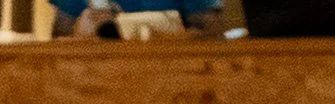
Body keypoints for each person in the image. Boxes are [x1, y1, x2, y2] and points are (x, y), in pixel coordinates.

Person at [51, 0, 226, 35]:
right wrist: (80, 33)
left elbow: (212, 37)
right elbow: (58, 42)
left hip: (175, 84)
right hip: (95, 85)